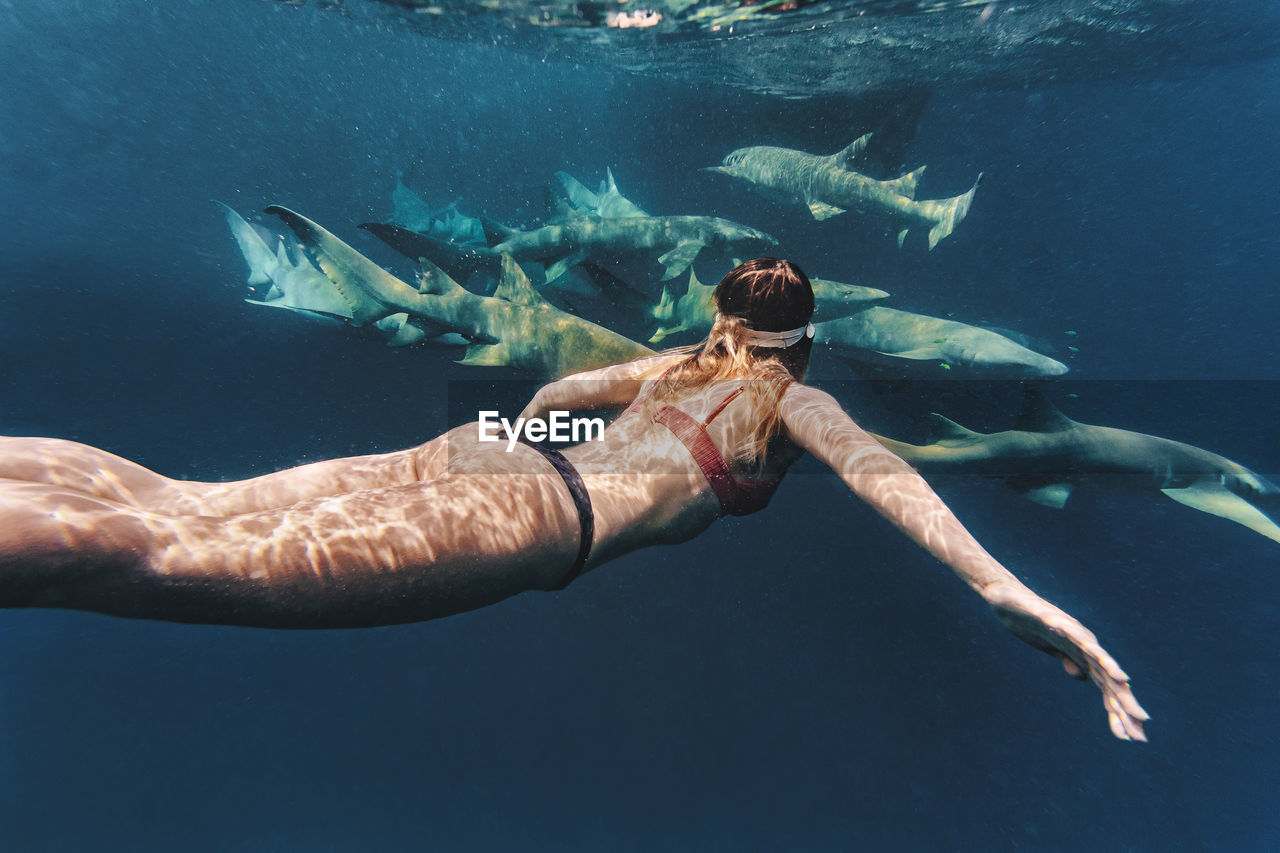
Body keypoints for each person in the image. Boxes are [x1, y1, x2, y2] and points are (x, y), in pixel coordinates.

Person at [0, 258, 1147, 740]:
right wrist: (1003, 588)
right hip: (533, 521)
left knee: (172, 500)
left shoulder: (676, 363)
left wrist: (566, 447)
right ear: (800, 344)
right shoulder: (790, 402)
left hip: (481, 453)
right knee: (151, 558)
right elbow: (881, 474)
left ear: (724, 319)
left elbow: (554, 394)